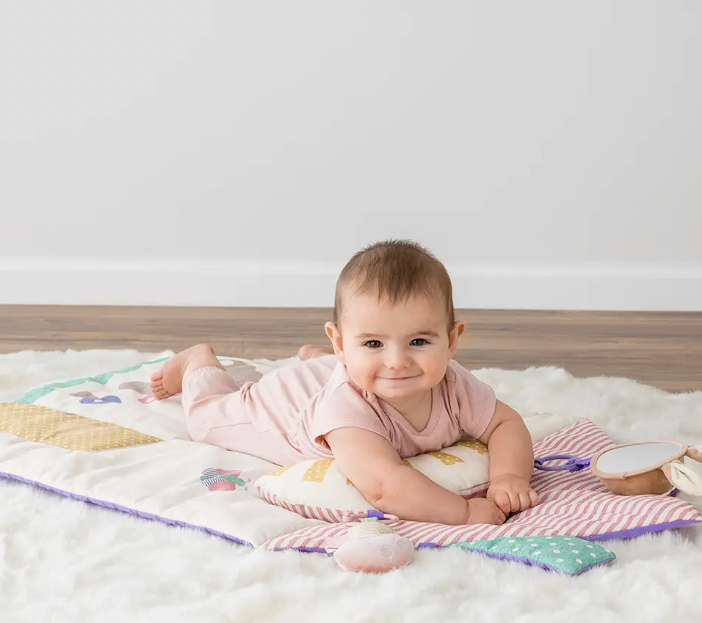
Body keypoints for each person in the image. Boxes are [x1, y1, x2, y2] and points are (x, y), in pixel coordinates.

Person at [150, 240, 538, 526]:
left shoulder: (453, 384)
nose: (397, 361)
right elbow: (384, 484)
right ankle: (197, 360)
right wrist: (465, 511)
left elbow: (506, 423)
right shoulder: (347, 410)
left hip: (336, 375)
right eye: (373, 342)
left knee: (366, 371)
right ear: (340, 341)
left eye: (419, 341)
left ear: (452, 340)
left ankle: (323, 360)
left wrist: (508, 476)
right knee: (205, 420)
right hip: (278, 410)